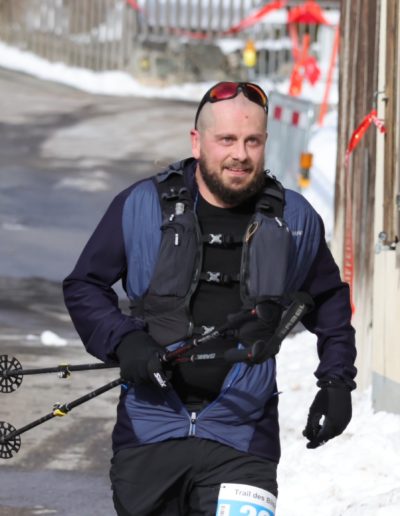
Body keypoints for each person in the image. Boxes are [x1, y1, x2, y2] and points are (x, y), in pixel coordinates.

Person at [63, 81, 357, 515]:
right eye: (227, 140)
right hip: (149, 432)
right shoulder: (143, 206)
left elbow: (329, 300)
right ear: (197, 142)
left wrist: (336, 382)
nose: (241, 154)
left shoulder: (293, 219)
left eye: (252, 141)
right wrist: (126, 341)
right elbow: (84, 285)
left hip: (245, 437)